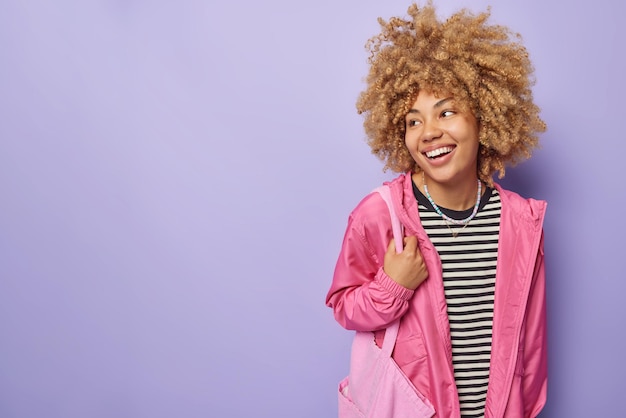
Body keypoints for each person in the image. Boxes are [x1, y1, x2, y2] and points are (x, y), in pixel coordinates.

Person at [326, 3, 547, 417]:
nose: (429, 132)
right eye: (413, 121)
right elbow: (343, 305)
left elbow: (530, 345)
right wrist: (392, 288)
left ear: (484, 118)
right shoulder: (379, 215)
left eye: (447, 112)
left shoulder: (521, 222)